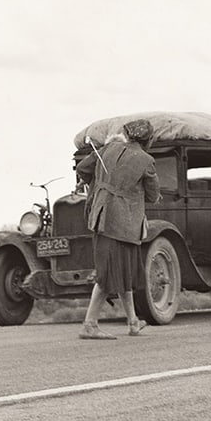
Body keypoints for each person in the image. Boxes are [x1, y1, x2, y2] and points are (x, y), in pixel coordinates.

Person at [74, 118, 161, 340]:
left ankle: (133, 321)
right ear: (148, 140)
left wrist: (98, 184)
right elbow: (152, 195)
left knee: (122, 272)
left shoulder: (108, 148)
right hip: (125, 224)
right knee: (108, 274)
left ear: (128, 134)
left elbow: (83, 168)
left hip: (101, 217)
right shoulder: (146, 160)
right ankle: (90, 324)